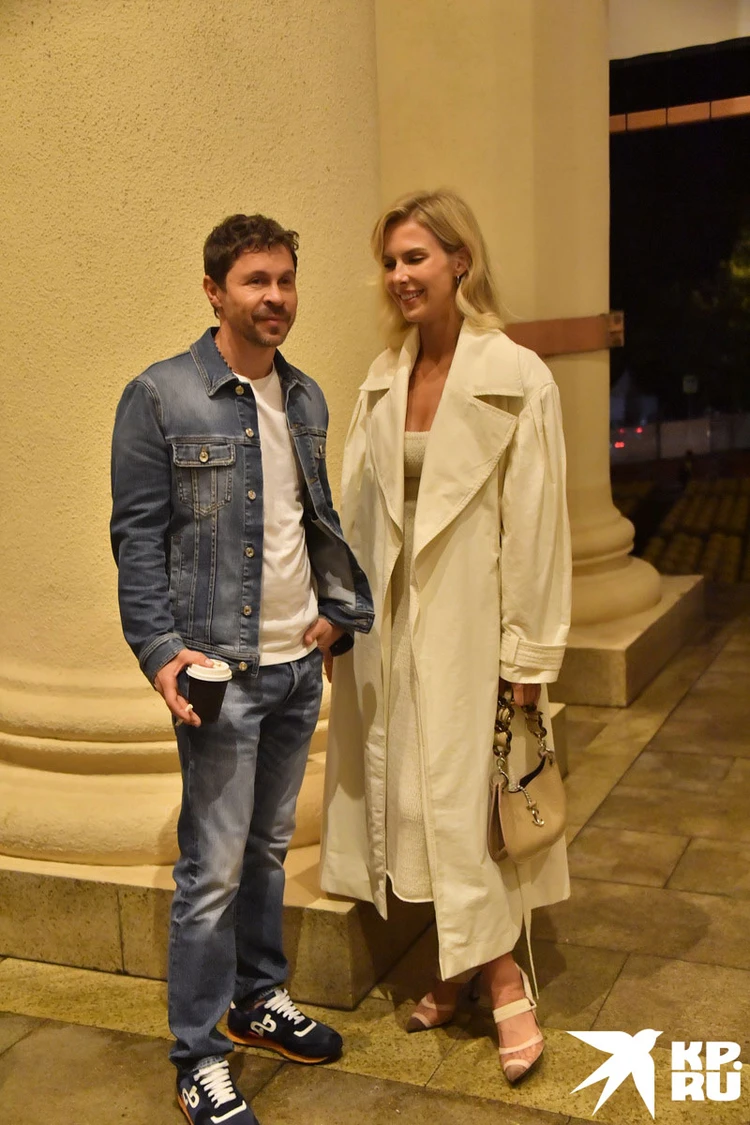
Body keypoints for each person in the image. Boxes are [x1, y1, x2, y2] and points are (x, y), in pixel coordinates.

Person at [110, 213, 374, 1125]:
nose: (276, 297)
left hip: (298, 665)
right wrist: (159, 652)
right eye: (257, 280)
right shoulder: (160, 396)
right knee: (212, 869)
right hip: (223, 674)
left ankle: (259, 997)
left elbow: (310, 519)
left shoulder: (304, 396)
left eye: (286, 280)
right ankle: (198, 1056)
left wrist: (336, 613)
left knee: (266, 850)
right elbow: (137, 539)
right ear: (214, 291)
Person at [320, 190, 571, 1086]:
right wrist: (341, 616)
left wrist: (527, 655)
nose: (400, 275)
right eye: (390, 261)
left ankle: (504, 981)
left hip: (474, 625)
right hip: (393, 630)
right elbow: (354, 512)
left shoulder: (517, 376)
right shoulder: (382, 378)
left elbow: (537, 526)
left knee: (473, 807)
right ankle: (457, 964)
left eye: (416, 257)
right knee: (417, 802)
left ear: (460, 260)